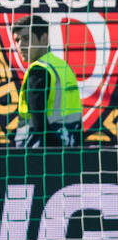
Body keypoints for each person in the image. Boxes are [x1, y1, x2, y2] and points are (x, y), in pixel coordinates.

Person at [11, 15, 82, 148]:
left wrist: (53, 147)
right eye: (17, 40)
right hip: (70, 145)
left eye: (26, 38)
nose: (20, 45)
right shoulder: (63, 67)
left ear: (43, 38)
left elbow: (38, 121)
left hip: (39, 152)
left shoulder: (38, 70)